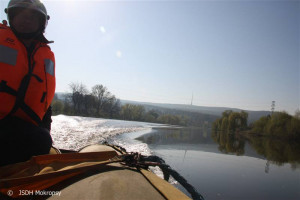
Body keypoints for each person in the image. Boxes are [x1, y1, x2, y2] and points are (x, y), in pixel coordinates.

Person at [0, 0, 55, 166]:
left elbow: (44, 99)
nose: (26, 20)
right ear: (11, 17)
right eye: (21, 15)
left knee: (42, 140)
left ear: (41, 23)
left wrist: (45, 128)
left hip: (23, 128)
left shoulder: (46, 57)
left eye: (32, 16)